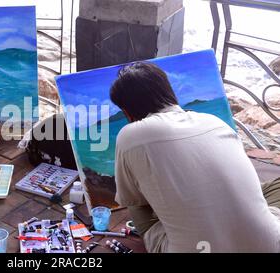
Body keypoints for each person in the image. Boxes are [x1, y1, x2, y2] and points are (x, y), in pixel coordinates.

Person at [110, 62, 280, 253]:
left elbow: (131, 199)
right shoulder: (216, 122)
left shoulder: (129, 136)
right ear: (168, 92)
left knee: (134, 204)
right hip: (270, 245)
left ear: (126, 111)